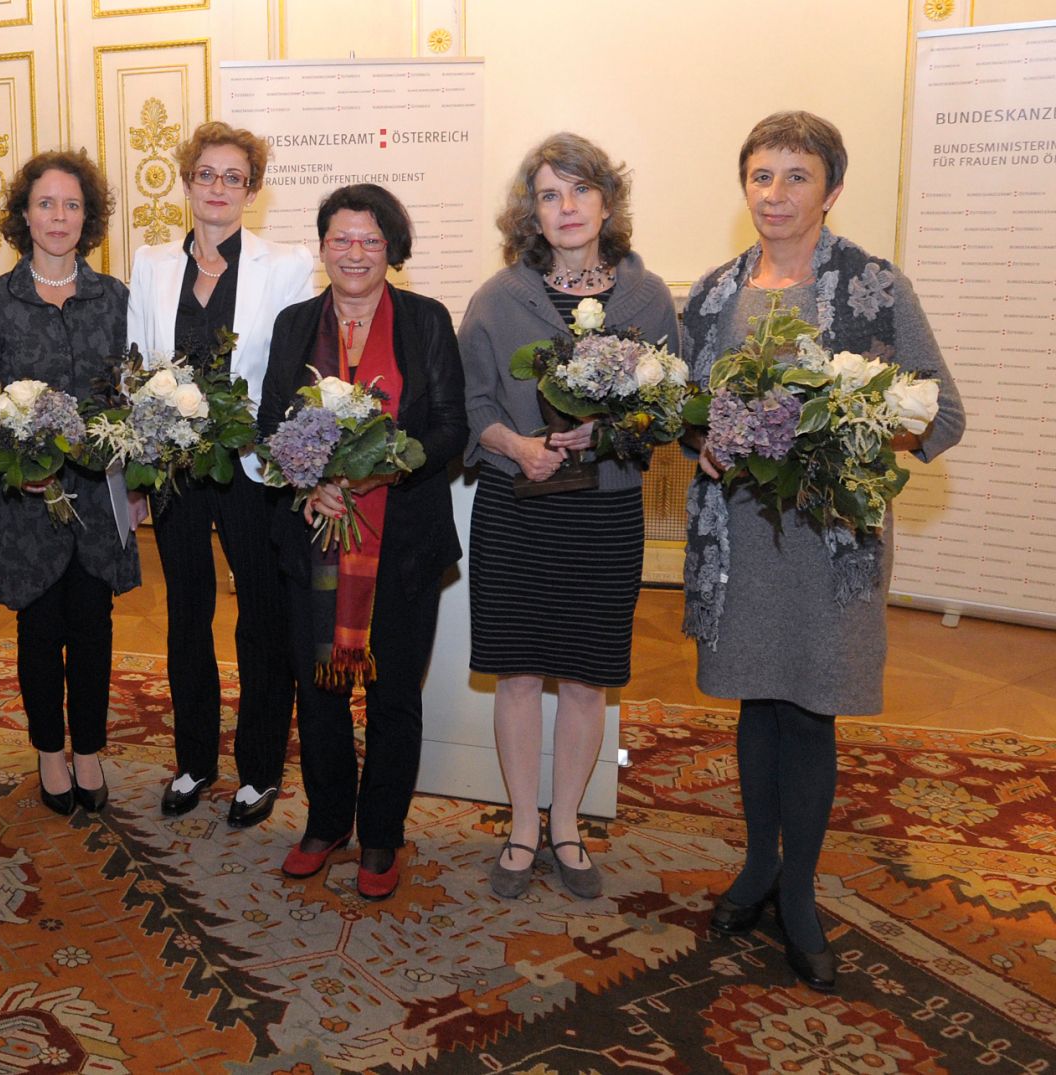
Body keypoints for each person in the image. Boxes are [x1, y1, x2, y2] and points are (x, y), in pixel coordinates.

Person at [685, 111, 964, 992]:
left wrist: (855, 438)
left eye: (796, 176)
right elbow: (689, 410)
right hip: (739, 545)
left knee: (809, 711)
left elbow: (940, 416)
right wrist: (701, 439)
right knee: (755, 706)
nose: (775, 193)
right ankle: (757, 866)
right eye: (761, 175)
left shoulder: (875, 288)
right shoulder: (712, 293)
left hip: (827, 546)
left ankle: (798, 892)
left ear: (832, 189)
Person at [458, 133, 681, 901]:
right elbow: (470, 402)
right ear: (533, 212)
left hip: (604, 512)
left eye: (580, 190)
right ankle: (523, 825)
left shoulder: (647, 299)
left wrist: (613, 429)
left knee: (587, 679)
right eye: (550, 195)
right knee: (517, 674)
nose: (567, 207)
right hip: (518, 509)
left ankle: (567, 825)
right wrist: (517, 445)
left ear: (607, 202)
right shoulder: (497, 297)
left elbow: (668, 405)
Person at [261, 184, 467, 900]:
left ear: (392, 251)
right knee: (317, 694)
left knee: (391, 697)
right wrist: (310, 478)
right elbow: (267, 426)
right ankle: (325, 822)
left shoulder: (427, 321)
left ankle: (381, 832)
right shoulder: (293, 326)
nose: (354, 253)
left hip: (403, 544)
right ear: (322, 248)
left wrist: (379, 466)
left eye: (370, 241)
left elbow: (449, 428)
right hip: (311, 542)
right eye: (341, 239)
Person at [125, 121, 315, 827]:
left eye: (233, 177)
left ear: (253, 190)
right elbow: (137, 366)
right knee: (186, 616)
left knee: (261, 621)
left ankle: (259, 770)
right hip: (176, 465)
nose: (218, 188)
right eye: (206, 173)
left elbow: (291, 370)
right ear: (187, 181)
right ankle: (195, 760)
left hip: (252, 468)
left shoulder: (287, 265)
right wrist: (141, 469)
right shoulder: (151, 265)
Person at [0, 149, 140, 816]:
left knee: (93, 625)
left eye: (71, 204)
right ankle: (48, 750)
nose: (59, 216)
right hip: (25, 501)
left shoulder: (115, 298)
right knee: (39, 628)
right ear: (25, 215)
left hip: (99, 496)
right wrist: (19, 461)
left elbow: (131, 396)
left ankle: (89, 747)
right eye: (46, 203)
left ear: (87, 217)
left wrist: (136, 478)